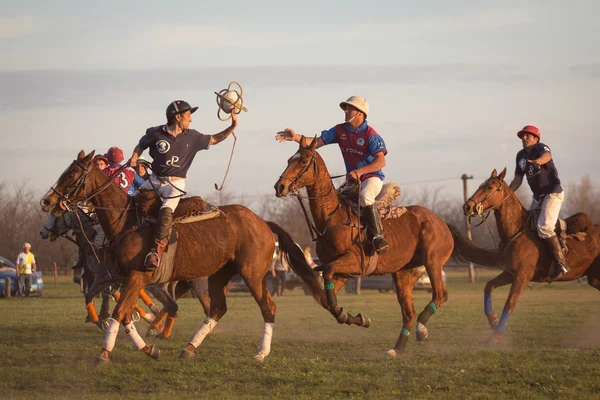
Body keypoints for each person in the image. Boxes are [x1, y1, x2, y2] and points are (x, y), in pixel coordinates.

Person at [129, 99, 239, 271]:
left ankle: (155, 252)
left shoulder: (193, 136)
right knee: (132, 202)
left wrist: (232, 127)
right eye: (188, 115)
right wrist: (135, 157)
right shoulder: (155, 133)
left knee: (166, 211)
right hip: (155, 179)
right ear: (178, 117)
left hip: (175, 183)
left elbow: (215, 139)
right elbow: (140, 145)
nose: (191, 119)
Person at [275, 96, 389, 254]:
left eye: (350, 109)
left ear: (361, 113)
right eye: (346, 109)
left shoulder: (371, 135)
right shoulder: (339, 130)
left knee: (365, 196)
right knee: (336, 203)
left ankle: (377, 237)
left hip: (372, 178)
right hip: (352, 181)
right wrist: (296, 138)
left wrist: (360, 171)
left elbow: (381, 162)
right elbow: (317, 142)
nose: (346, 111)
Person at [508, 125, 567, 280]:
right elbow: (518, 179)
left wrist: (538, 162)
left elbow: (547, 155)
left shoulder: (541, 148)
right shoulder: (520, 156)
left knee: (545, 228)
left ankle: (561, 263)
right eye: (523, 135)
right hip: (538, 197)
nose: (524, 138)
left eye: (528, 135)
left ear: (536, 138)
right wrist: (506, 193)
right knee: (528, 227)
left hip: (553, 193)